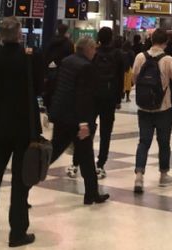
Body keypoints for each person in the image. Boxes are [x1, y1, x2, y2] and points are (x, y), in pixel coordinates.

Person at [0, 17, 44, 246]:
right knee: (20, 180)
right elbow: (39, 87)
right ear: (19, 35)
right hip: (23, 127)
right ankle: (17, 232)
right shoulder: (29, 58)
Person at [49, 36, 109, 205]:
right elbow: (83, 96)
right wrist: (84, 122)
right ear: (88, 49)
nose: (95, 52)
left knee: (85, 155)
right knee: (59, 152)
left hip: (61, 115)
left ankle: (92, 193)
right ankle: (26, 181)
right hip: (75, 119)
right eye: (93, 49)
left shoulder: (67, 61)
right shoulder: (86, 67)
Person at [133, 28, 172, 194]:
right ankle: (163, 175)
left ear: (152, 39)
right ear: (165, 43)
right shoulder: (168, 59)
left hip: (144, 107)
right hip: (164, 108)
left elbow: (135, 79)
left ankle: (139, 176)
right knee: (164, 142)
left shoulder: (140, 57)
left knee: (143, 142)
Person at [91, 26, 125, 178]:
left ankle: (77, 161)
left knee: (88, 129)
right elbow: (120, 77)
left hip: (93, 96)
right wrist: (119, 98)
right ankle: (101, 164)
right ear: (111, 38)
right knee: (106, 132)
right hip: (110, 97)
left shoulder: (94, 53)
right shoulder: (117, 54)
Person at [43, 22, 73, 110]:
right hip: (63, 74)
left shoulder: (50, 42)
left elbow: (45, 57)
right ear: (66, 32)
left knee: (50, 94)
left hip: (50, 73)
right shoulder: (69, 44)